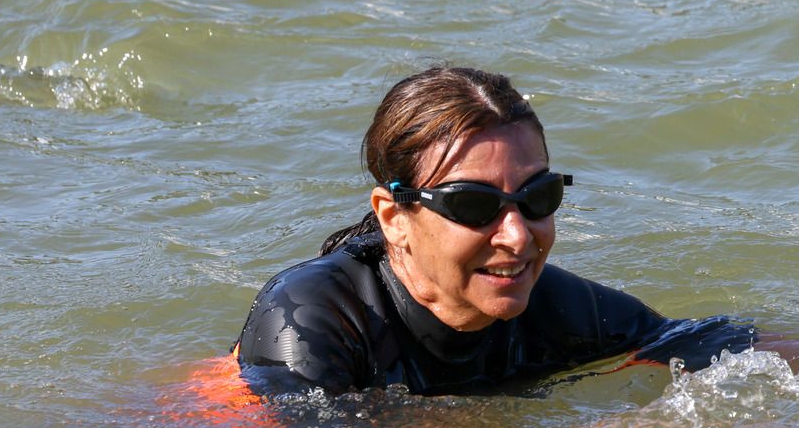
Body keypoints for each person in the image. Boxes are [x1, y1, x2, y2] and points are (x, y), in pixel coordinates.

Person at [236, 66, 768, 397]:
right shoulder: (311, 315)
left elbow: (710, 343)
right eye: (473, 204)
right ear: (394, 217)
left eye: (538, 198)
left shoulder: (551, 306)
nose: (517, 236)